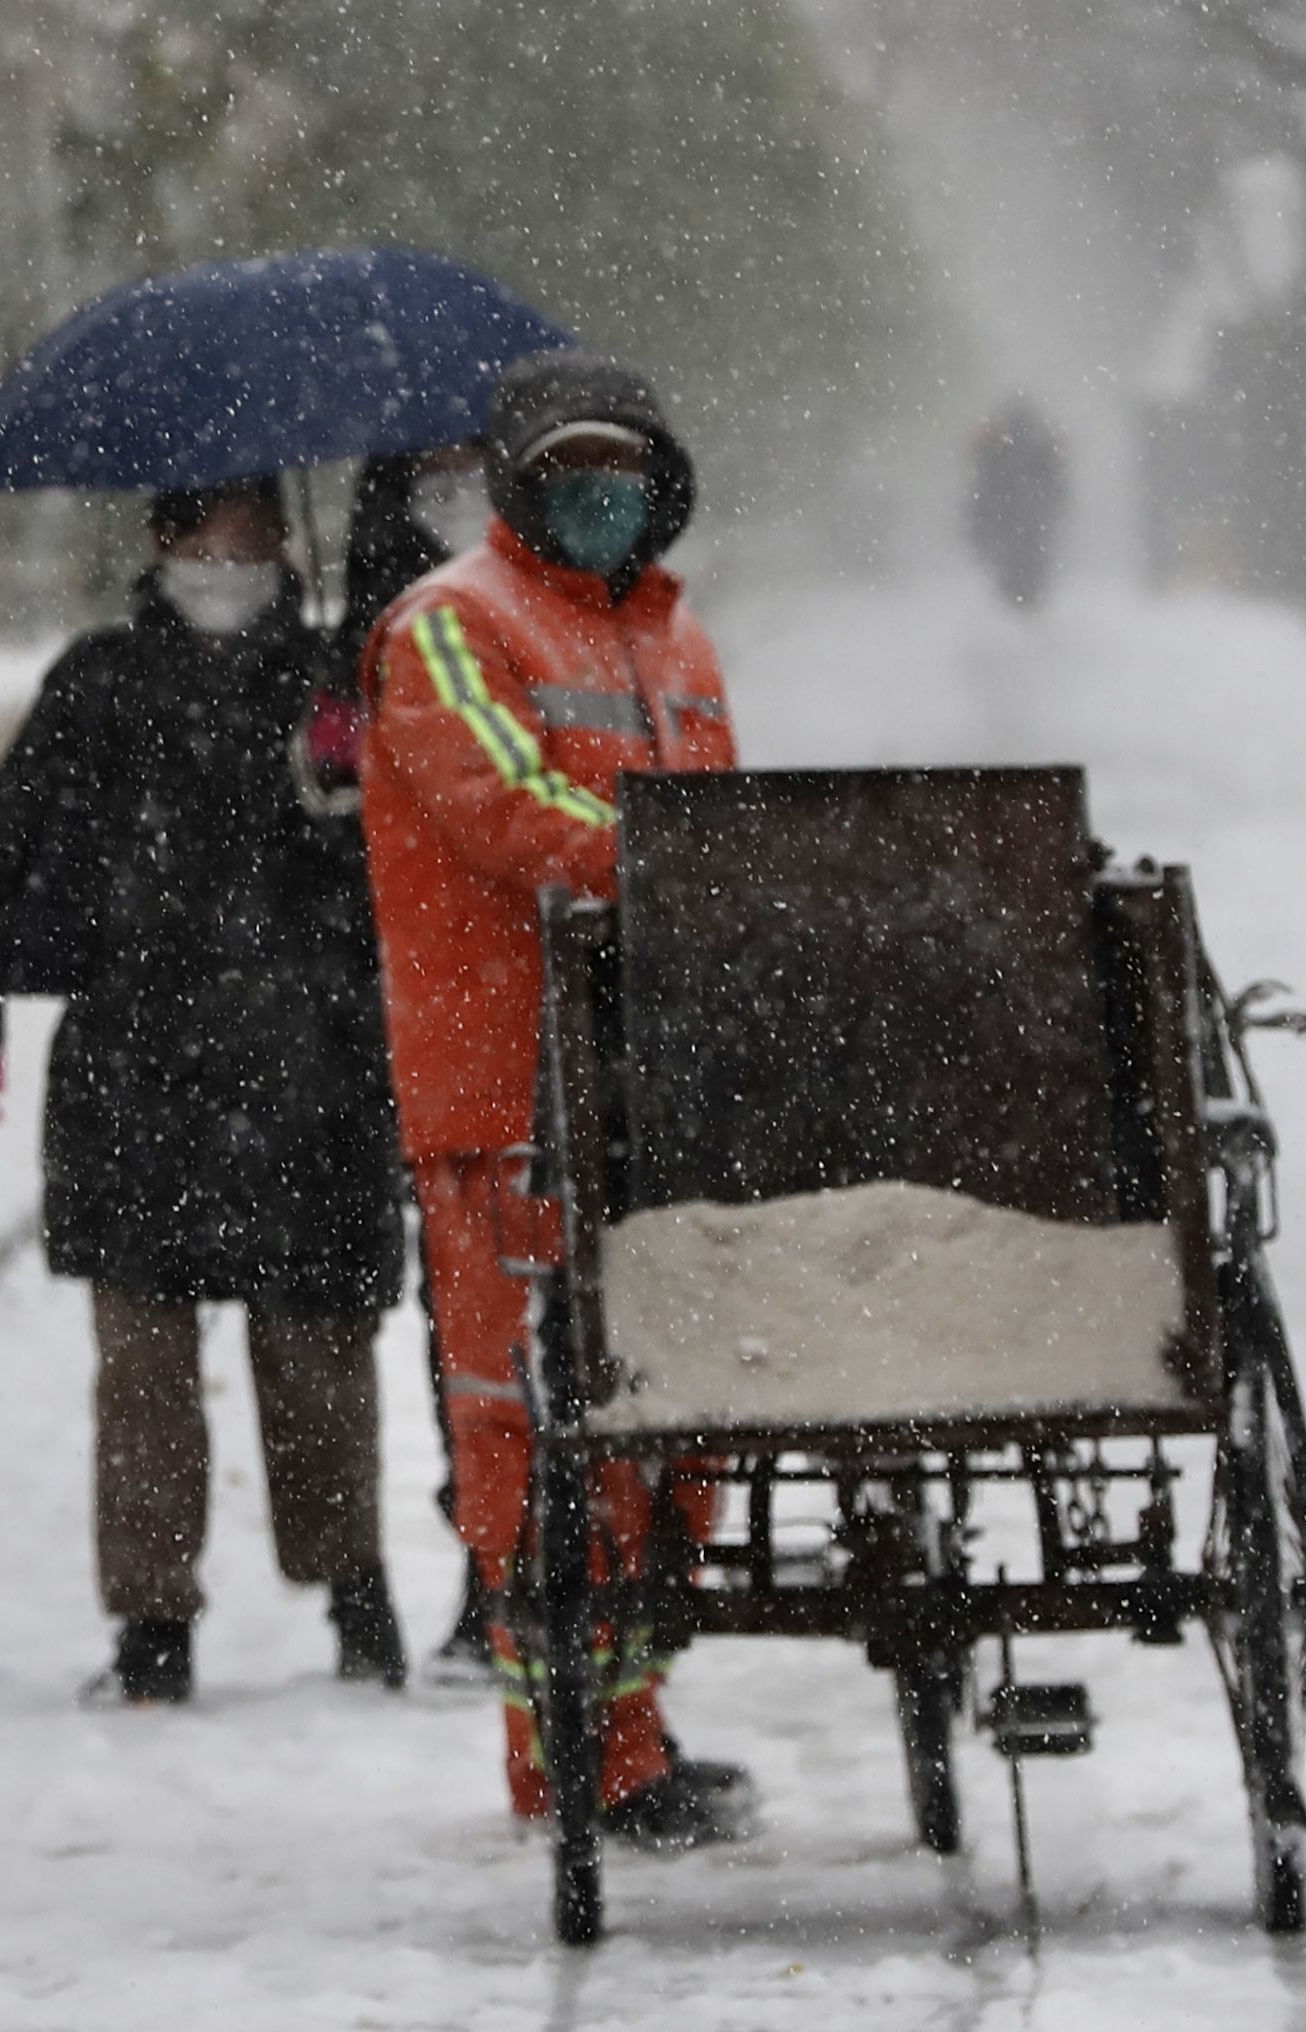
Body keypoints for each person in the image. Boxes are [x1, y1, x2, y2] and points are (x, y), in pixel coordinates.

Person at [359, 351, 754, 1845]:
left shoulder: (676, 641)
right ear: (522, 486)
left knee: (668, 1426)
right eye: (573, 472)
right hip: (507, 1097)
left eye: (625, 470)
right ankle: (572, 1762)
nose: (604, 497)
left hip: (658, 1086)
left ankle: (636, 1734)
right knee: (532, 1429)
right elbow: (502, 811)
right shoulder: (445, 627)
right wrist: (697, 869)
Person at [0, 476, 408, 1707]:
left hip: (307, 1066)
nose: (226, 561)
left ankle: (358, 1594)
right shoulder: (98, 685)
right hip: (137, 1072)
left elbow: (401, 873)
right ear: (160, 545)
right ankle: (152, 1625)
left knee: (317, 1355)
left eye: (248, 540)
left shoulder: (341, 678)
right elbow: (14, 835)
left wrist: (354, 786)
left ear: (285, 545)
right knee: (141, 1364)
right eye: (204, 540)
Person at [337, 442, 507, 1691]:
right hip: (407, 1027)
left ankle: (504, 1583)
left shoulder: (517, 615)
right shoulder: (403, 632)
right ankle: (491, 1577)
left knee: (495, 1323)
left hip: (463, 1021)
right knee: (474, 1326)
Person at [966, 397, 1068, 610]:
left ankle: (1014, 613)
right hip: (1030, 525)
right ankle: (1024, 611)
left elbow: (982, 489)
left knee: (1013, 573)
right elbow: (1057, 488)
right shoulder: (1042, 447)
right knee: (1029, 572)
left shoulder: (996, 447)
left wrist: (980, 526)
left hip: (1008, 523)